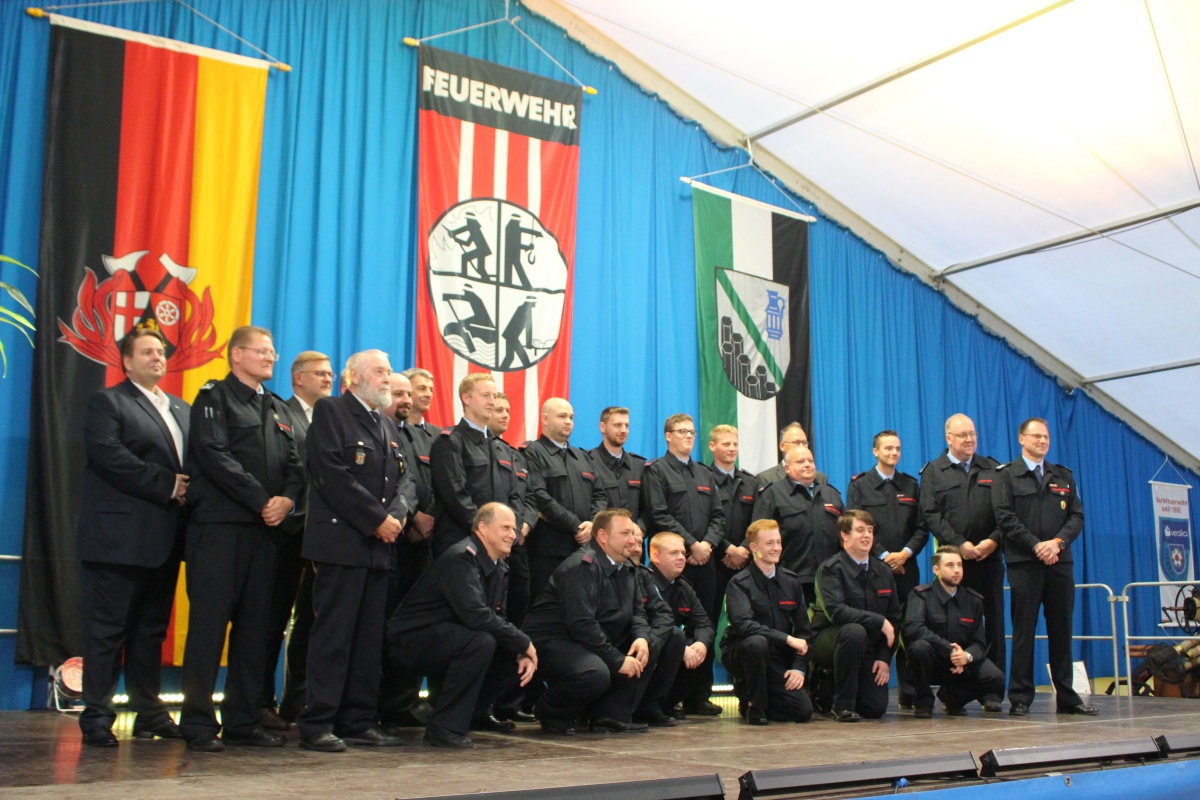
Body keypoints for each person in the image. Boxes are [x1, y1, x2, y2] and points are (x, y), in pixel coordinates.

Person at [180, 325, 304, 752]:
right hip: (222, 529)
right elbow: (214, 456)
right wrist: (261, 500)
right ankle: (197, 722)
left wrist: (286, 501)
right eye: (262, 351)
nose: (271, 358)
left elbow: (295, 465)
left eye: (272, 351)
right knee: (209, 627)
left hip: (267, 533)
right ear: (236, 355)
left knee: (256, 630)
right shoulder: (214, 397)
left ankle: (243, 720)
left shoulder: (277, 407)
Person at [76, 323, 189, 747]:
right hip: (118, 539)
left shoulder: (181, 408)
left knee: (150, 631)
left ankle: (148, 712)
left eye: (160, 352)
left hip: (165, 539)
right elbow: (109, 456)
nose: (157, 357)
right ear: (126, 361)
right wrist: (169, 484)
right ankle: (98, 715)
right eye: (146, 352)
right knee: (108, 629)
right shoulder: (109, 402)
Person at [297, 350, 416, 752]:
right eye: (380, 372)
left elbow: (405, 480)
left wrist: (397, 516)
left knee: (368, 640)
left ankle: (358, 720)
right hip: (344, 543)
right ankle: (317, 723)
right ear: (355, 377)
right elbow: (332, 474)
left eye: (388, 372)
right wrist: (375, 520)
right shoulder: (333, 411)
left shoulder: (386, 423)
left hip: (379, 547)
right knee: (334, 637)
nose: (388, 378)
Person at [387, 503, 538, 748]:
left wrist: (520, 647)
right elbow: (475, 615)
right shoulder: (461, 557)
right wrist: (523, 641)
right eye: (506, 528)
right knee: (482, 641)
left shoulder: (499, 566)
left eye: (515, 528)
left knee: (510, 652)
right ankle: (444, 728)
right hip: (409, 643)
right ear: (482, 527)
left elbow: (498, 618)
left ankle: (471, 714)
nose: (513, 534)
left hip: (448, 638)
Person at [993, 417, 1096, 716]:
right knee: (1024, 630)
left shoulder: (1063, 475)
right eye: (1036, 436)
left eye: (1046, 437)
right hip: (1025, 563)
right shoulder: (1005, 475)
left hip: (1059, 563)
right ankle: (1021, 696)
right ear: (1021, 439)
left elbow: (1076, 517)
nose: (1042, 441)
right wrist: (1037, 545)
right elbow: (1004, 516)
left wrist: (1057, 544)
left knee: (1062, 630)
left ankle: (1067, 696)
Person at [522, 508, 656, 735]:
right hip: (553, 642)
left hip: (587, 640)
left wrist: (642, 637)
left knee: (652, 643)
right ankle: (549, 711)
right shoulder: (582, 566)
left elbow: (638, 612)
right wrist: (616, 660)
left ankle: (608, 715)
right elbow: (580, 623)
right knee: (595, 672)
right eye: (625, 534)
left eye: (633, 534)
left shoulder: (626, 567)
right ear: (603, 536)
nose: (633, 541)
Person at [261, 350, 333, 730]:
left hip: (322, 538)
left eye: (330, 373)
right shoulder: (279, 413)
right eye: (319, 373)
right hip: (287, 533)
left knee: (311, 621)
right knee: (272, 620)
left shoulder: (333, 418)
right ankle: (261, 700)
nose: (328, 379)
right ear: (298, 378)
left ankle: (299, 697)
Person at [918, 413, 1005, 710]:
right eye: (963, 435)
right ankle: (955, 689)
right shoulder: (933, 472)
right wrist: (960, 546)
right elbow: (931, 515)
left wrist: (993, 540)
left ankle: (991, 691)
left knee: (992, 625)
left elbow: (1006, 512)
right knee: (952, 628)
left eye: (973, 434)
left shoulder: (993, 467)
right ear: (949, 438)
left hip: (989, 560)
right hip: (954, 565)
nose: (970, 439)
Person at [643, 413, 727, 716]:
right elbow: (659, 514)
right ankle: (668, 696)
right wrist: (691, 544)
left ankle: (698, 694)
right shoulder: (656, 471)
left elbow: (718, 516)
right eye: (682, 432)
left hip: (705, 562)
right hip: (672, 563)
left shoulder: (704, 473)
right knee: (669, 628)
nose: (689, 437)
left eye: (692, 432)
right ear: (668, 436)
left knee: (704, 625)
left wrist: (707, 545)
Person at [846, 430, 928, 707]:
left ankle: (911, 692)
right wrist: (883, 556)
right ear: (875, 451)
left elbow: (922, 528)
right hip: (873, 569)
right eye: (888, 448)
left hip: (907, 568)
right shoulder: (859, 486)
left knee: (909, 629)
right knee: (875, 627)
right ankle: (868, 686)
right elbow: (857, 525)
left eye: (897, 449)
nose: (893, 453)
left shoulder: (911, 485)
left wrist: (904, 554)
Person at [378, 371, 439, 732]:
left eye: (430, 389)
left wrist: (428, 523)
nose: (425, 394)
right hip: (391, 537)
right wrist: (413, 517)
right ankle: (377, 700)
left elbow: (438, 484)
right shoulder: (387, 430)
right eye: (418, 389)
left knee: (413, 626)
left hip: (423, 543)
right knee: (381, 623)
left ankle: (404, 700)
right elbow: (401, 483)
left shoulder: (431, 436)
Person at [809, 510, 900, 722]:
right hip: (830, 640)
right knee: (854, 631)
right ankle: (842, 706)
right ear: (844, 535)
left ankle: (836, 687)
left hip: (867, 646)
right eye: (860, 530)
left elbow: (894, 618)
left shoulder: (883, 571)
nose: (867, 535)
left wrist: (884, 658)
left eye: (870, 530)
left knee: (874, 708)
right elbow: (836, 612)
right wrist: (878, 621)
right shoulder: (831, 569)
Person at [721, 520, 813, 725]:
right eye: (770, 543)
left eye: (778, 542)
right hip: (745, 653)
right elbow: (744, 625)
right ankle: (756, 705)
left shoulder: (791, 581)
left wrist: (798, 668)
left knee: (803, 711)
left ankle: (754, 693)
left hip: (778, 658)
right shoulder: (739, 583)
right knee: (757, 642)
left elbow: (804, 632)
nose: (777, 548)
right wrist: (787, 639)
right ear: (753, 547)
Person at [903, 545, 1005, 718]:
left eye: (959, 565)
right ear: (936, 569)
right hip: (932, 661)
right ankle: (923, 702)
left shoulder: (973, 600)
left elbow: (979, 642)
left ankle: (952, 698)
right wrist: (950, 650)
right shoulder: (921, 595)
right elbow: (914, 628)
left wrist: (966, 656)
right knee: (919, 648)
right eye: (950, 565)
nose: (956, 570)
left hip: (960, 664)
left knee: (996, 678)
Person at [429, 373, 524, 556]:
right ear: (466, 398)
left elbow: (515, 496)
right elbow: (456, 496)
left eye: (494, 396)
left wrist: (510, 531)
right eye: (485, 395)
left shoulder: (501, 448)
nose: (492, 402)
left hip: (498, 547)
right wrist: (488, 532)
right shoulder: (450, 442)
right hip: (461, 543)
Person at [522, 397, 606, 599]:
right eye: (562, 416)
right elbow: (540, 496)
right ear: (545, 419)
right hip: (548, 550)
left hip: (584, 547)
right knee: (547, 605)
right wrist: (577, 526)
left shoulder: (583, 456)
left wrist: (592, 524)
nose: (568, 421)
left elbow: (600, 495)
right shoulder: (532, 452)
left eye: (571, 417)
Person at [751, 445, 843, 606]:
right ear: (787, 468)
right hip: (790, 577)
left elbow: (846, 533)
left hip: (830, 576)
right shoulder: (773, 494)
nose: (807, 465)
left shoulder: (831, 493)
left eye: (810, 461)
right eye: (800, 461)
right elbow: (759, 534)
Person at [637, 531, 714, 726]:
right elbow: (643, 624)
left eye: (682, 552)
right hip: (647, 648)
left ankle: (666, 704)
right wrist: (682, 648)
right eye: (674, 553)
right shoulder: (641, 581)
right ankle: (648, 706)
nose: (681, 557)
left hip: (671, 649)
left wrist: (701, 645)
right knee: (677, 640)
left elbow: (704, 623)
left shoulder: (683, 586)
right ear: (655, 557)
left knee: (702, 650)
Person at [589, 406, 649, 533]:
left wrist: (641, 528)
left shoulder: (639, 465)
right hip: (602, 541)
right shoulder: (588, 462)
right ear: (602, 427)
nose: (623, 430)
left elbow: (649, 505)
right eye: (617, 425)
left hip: (633, 542)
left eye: (626, 426)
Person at [756, 423, 826, 490]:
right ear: (782, 446)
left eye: (804, 443)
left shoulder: (820, 478)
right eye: (797, 442)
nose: (801, 447)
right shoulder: (766, 478)